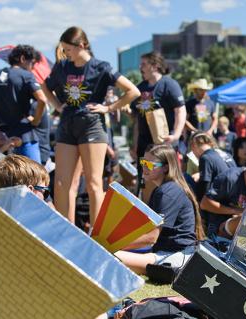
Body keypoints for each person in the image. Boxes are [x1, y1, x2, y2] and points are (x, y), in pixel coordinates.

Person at [42, 26, 140, 225]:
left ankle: (97, 236)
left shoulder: (101, 66)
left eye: (68, 49)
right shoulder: (61, 67)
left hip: (92, 126)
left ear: (82, 45)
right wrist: (56, 105)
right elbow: (45, 85)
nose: (65, 54)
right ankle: (66, 230)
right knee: (62, 183)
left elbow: (133, 91)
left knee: (94, 183)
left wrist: (109, 107)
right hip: (67, 125)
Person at [115, 144, 204, 274]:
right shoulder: (162, 189)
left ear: (166, 167)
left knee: (109, 256)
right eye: (143, 162)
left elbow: (151, 237)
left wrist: (116, 245)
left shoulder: (167, 192)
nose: (144, 167)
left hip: (174, 256)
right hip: (169, 253)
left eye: (150, 164)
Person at [131, 52, 186, 202]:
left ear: (155, 66)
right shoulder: (140, 88)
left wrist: (175, 135)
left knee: (167, 181)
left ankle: (166, 214)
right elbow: (137, 119)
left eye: (144, 64)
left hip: (164, 145)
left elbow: (180, 110)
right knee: (145, 180)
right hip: (144, 145)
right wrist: (135, 144)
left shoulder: (169, 84)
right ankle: (149, 219)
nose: (140, 68)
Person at [0, 44, 47, 163]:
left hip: (0, 138)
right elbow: (42, 99)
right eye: (32, 64)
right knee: (35, 176)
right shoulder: (26, 76)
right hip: (24, 136)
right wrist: (36, 121)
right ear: (23, 59)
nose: (32, 68)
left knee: (4, 179)